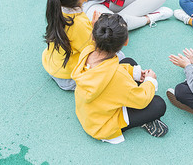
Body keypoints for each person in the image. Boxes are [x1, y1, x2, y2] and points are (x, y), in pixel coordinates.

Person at [72, 14, 168, 143]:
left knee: (128, 62)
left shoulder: (87, 51)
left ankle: (141, 114)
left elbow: (108, 70)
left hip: (89, 113)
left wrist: (135, 73)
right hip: (103, 126)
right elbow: (141, 100)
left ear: (93, 37)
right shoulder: (118, 77)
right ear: (126, 41)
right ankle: (144, 120)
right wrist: (150, 81)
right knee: (158, 105)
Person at [42, 0, 96, 91]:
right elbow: (92, 50)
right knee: (116, 57)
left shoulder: (57, 9)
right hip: (67, 78)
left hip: (51, 64)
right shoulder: (79, 23)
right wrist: (95, 29)